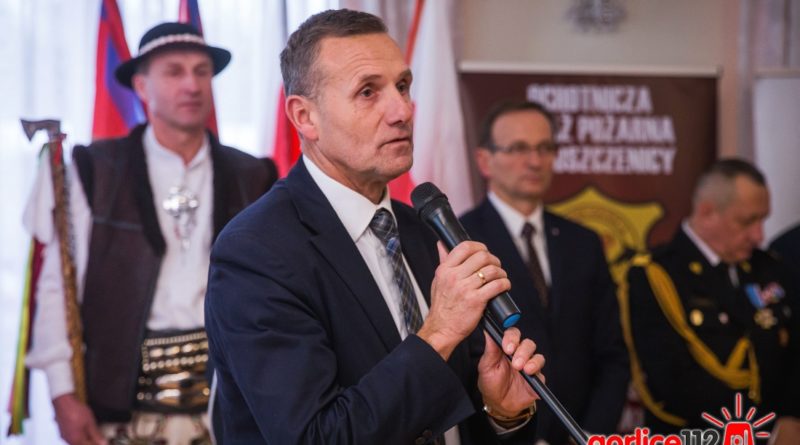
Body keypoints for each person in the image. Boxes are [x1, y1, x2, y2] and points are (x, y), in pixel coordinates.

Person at [205, 9, 546, 445]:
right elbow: (313, 438)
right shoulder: (256, 251)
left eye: (402, 86)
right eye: (368, 92)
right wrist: (439, 333)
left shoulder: (424, 230)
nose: (402, 110)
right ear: (304, 116)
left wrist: (501, 412)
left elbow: (449, 418)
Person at [26, 22, 276, 445]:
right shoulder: (95, 171)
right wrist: (63, 394)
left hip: (232, 407)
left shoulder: (252, 175)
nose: (192, 84)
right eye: (174, 71)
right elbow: (57, 290)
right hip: (122, 412)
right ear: (141, 86)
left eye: (201, 71)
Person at [459, 100, 629, 444]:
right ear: (484, 160)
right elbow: (459, 361)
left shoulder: (583, 242)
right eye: (519, 148)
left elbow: (612, 354)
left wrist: (590, 434)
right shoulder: (459, 242)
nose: (535, 161)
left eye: (545, 148)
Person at [623, 159, 800, 434]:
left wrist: (791, 419)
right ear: (707, 212)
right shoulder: (656, 275)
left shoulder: (770, 268)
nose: (759, 235)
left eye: (763, 220)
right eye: (747, 221)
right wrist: (767, 432)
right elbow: (673, 383)